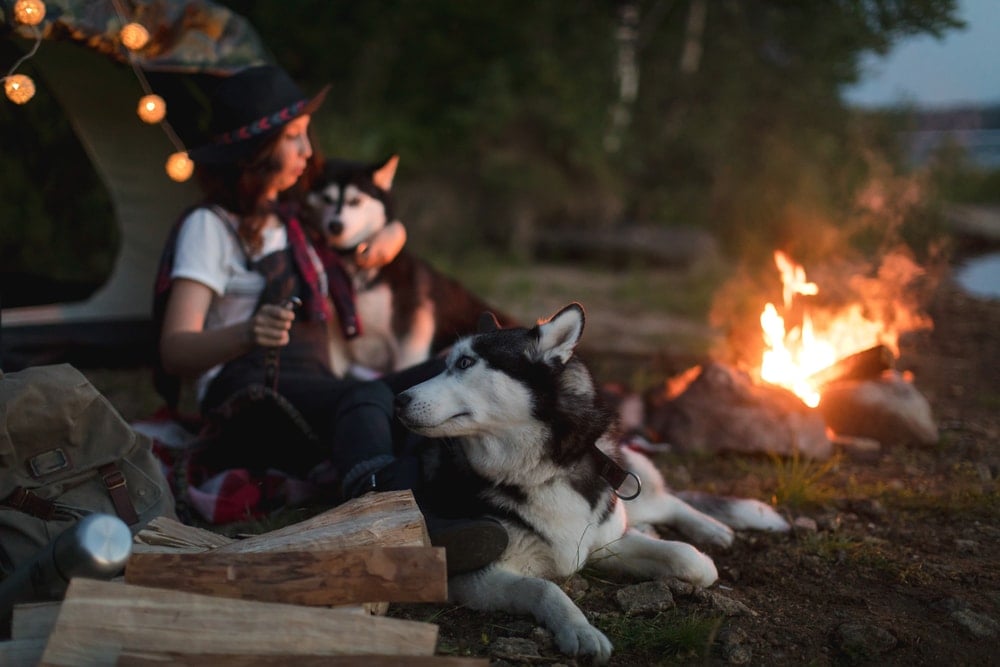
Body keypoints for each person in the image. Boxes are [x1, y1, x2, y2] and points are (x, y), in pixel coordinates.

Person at [157, 64, 506, 573]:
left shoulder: (295, 223)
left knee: (450, 369)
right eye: (293, 138)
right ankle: (392, 518)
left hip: (317, 389)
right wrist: (245, 334)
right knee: (369, 396)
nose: (307, 152)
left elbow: (367, 227)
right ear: (254, 152)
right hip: (250, 399)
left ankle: (479, 498)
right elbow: (175, 348)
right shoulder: (210, 228)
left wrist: (394, 234)